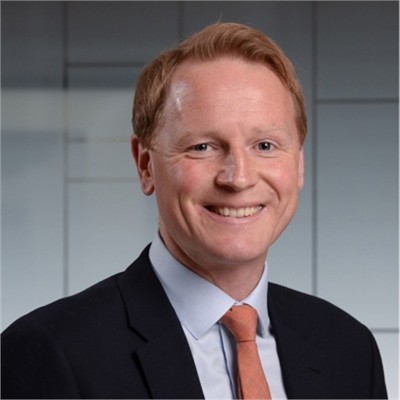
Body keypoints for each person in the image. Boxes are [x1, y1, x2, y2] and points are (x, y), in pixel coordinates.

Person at [2, 22, 387, 399]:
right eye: (202, 147)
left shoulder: (349, 349)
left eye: (265, 146)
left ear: (299, 165)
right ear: (145, 165)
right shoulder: (50, 352)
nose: (238, 178)